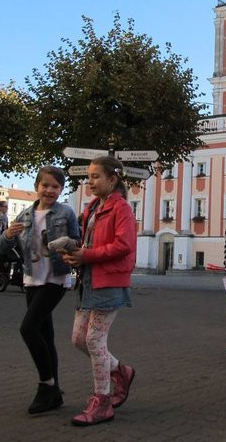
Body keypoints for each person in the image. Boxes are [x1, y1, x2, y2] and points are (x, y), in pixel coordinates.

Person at [0, 165, 80, 415]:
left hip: (56, 278)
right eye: (45, 185)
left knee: (28, 328)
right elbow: (1, 248)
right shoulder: (24, 215)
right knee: (45, 335)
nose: (50, 190)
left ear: (61, 189)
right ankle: (54, 393)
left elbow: (78, 242)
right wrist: (8, 234)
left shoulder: (66, 213)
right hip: (32, 279)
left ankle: (46, 385)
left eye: (55, 186)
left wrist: (66, 245)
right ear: (37, 187)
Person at [61, 156, 137, 426]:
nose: (90, 181)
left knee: (94, 340)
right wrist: (74, 252)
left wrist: (87, 255)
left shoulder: (122, 208)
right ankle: (120, 370)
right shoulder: (93, 206)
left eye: (95, 177)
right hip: (88, 279)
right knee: (78, 339)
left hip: (110, 282)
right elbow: (89, 242)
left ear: (112, 179)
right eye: (89, 176)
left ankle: (102, 401)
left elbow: (123, 245)